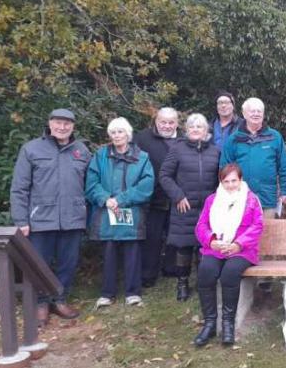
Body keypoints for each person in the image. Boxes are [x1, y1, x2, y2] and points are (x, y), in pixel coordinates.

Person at [10, 108, 91, 325]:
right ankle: (41, 303)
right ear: (50, 123)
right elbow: (19, 188)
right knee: (39, 264)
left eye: (67, 124)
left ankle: (60, 299)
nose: (62, 127)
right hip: (40, 219)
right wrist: (21, 220)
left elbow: (90, 185)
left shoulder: (81, 151)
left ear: (73, 126)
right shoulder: (32, 149)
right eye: (58, 123)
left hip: (73, 218)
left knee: (68, 262)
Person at [86, 117, 154, 308]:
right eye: (113, 132)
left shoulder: (142, 157)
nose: (117, 136)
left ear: (128, 134)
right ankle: (107, 293)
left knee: (132, 251)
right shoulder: (100, 155)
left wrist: (122, 199)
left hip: (131, 210)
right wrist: (105, 198)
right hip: (107, 211)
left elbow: (147, 185)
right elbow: (91, 182)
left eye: (120, 132)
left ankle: (133, 293)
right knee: (108, 251)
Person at [193, 164, 264, 347]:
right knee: (206, 271)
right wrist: (212, 241)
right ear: (221, 182)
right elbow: (201, 226)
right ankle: (209, 323)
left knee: (230, 273)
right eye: (226, 181)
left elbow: (257, 226)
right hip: (216, 247)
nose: (231, 185)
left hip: (242, 250)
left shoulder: (251, 200)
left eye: (234, 181)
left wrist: (238, 244)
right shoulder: (212, 200)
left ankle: (228, 325)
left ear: (240, 180)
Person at [159, 114, 221, 301]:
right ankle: (182, 283)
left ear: (206, 131)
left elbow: (221, 178)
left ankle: (204, 283)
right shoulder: (177, 149)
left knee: (205, 247)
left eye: (199, 127)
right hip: (184, 207)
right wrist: (178, 196)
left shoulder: (216, 151)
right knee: (184, 247)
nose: (195, 129)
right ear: (186, 130)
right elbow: (165, 175)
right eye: (192, 127)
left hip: (208, 210)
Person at [220, 97, 286, 218]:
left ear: (263, 114)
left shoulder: (274, 137)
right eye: (252, 111)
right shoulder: (234, 139)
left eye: (259, 111)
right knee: (242, 235)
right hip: (240, 200)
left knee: (268, 234)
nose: (256, 114)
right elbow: (224, 169)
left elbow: (284, 167)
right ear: (244, 113)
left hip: (268, 200)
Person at [134, 107, 179, 287]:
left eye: (171, 122)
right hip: (152, 198)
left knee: (173, 236)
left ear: (177, 123)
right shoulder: (142, 138)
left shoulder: (184, 139)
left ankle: (171, 269)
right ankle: (148, 275)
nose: (167, 126)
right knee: (151, 237)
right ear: (156, 121)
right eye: (163, 122)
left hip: (177, 197)